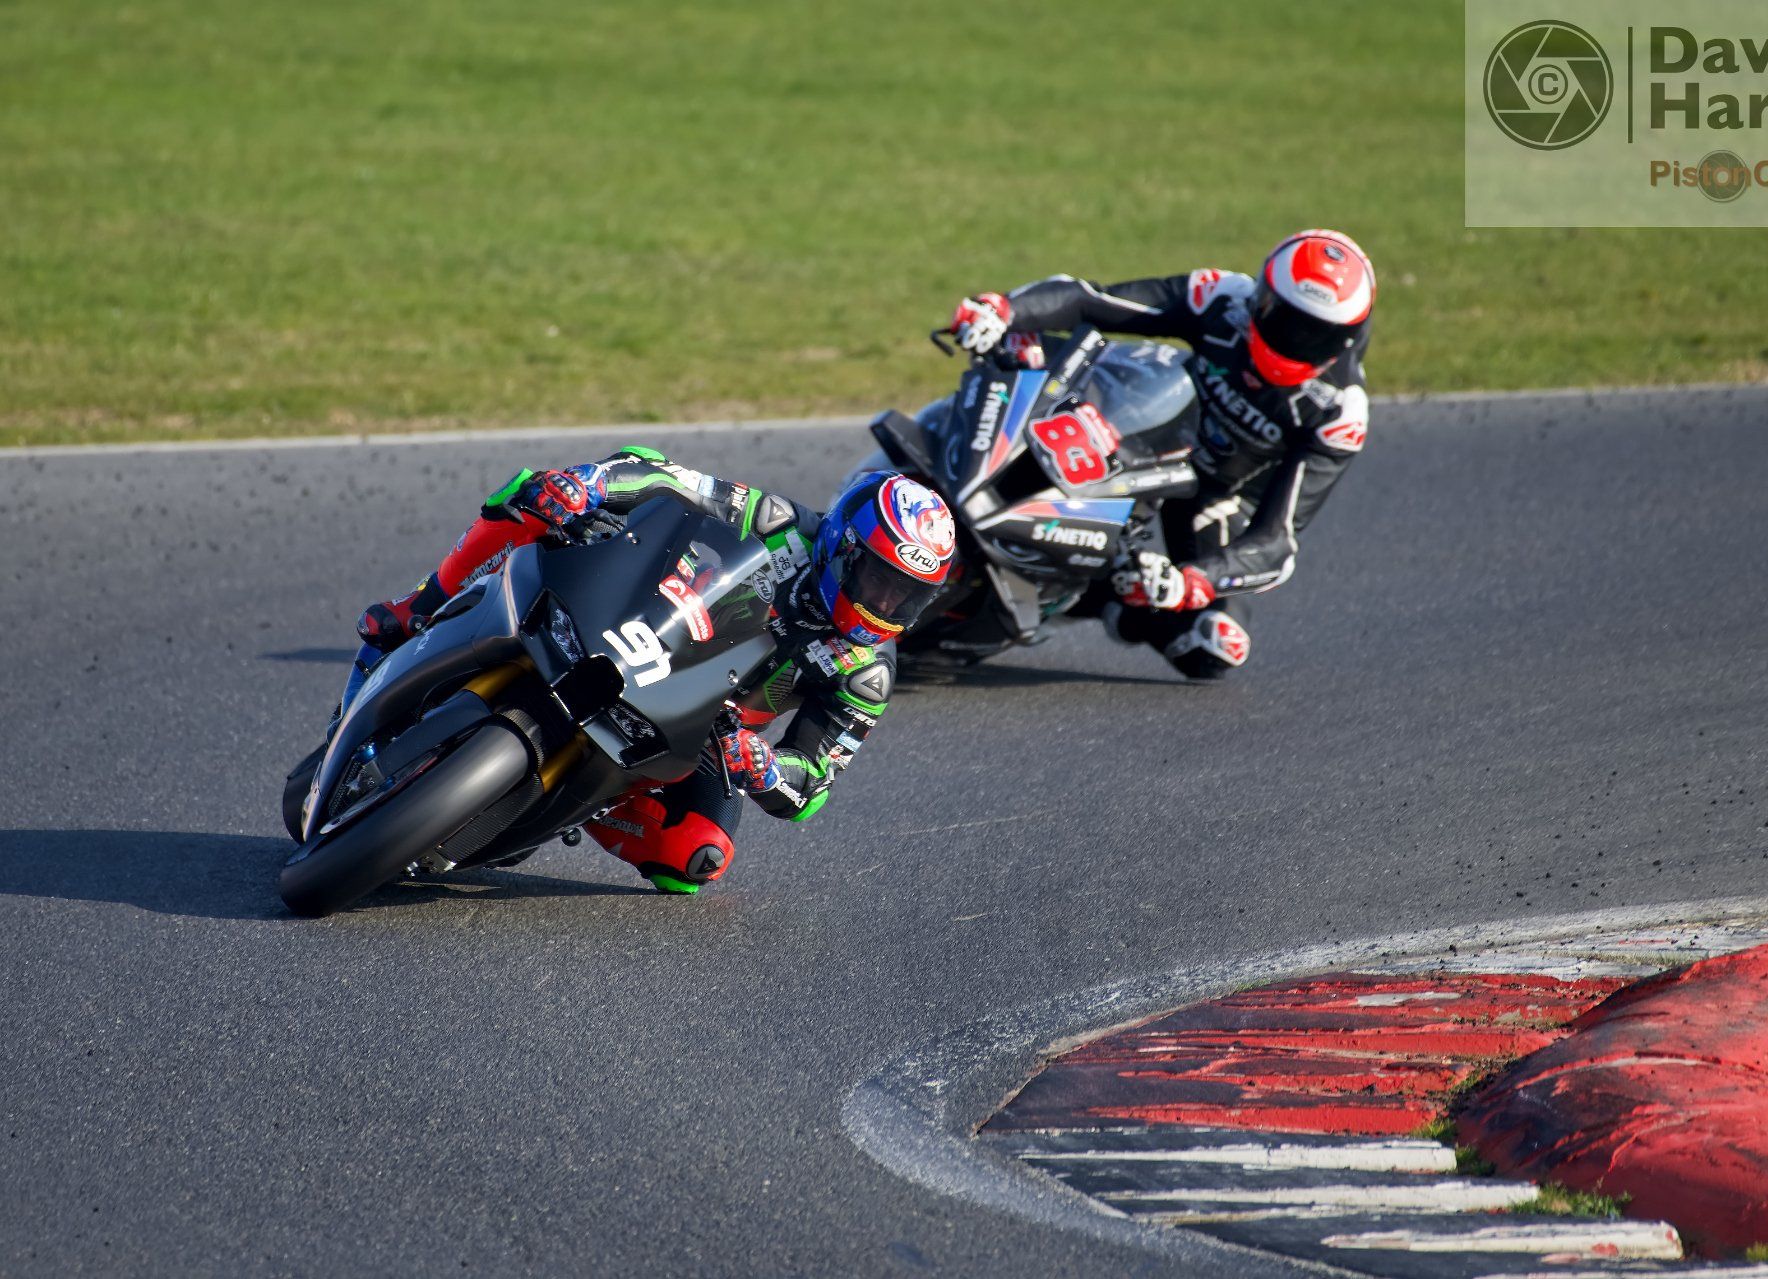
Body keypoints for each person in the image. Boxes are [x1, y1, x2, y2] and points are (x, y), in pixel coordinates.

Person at [343, 449, 956, 893]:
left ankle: (585, 805)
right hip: (637, 626)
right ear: (844, 547)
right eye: (879, 579)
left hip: (696, 730)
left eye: (907, 595)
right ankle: (418, 607)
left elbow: (811, 787)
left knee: (698, 859)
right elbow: (662, 474)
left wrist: (765, 766)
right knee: (536, 492)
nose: (887, 604)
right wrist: (590, 484)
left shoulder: (865, 674)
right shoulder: (776, 523)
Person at [946, 229, 1375, 679]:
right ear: (1262, 297)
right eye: (1285, 321)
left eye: (1316, 335)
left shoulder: (1338, 412)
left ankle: (1104, 596)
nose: (1295, 341)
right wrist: (1005, 309)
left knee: (1213, 645)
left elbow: (1277, 543)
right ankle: (953, 448)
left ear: (1347, 339)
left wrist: (1192, 582)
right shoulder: (1223, 298)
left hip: (1217, 497)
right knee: (1022, 346)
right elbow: (1093, 300)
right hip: (1146, 428)